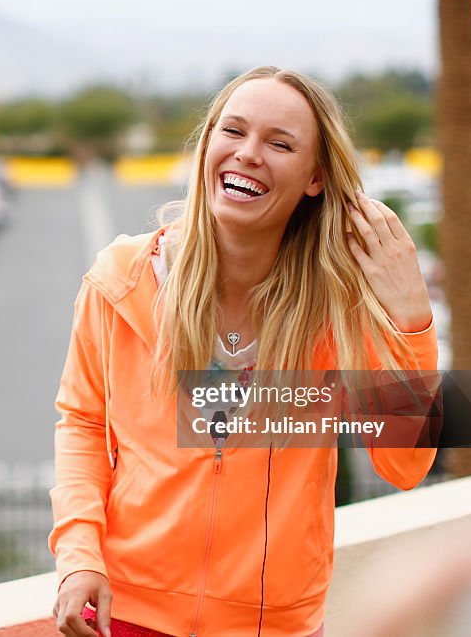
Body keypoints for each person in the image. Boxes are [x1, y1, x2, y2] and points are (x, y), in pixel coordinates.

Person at [50, 66, 439, 637]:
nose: (248, 154)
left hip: (273, 625)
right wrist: (79, 555)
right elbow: (83, 426)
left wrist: (411, 320)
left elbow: (405, 465)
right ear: (207, 144)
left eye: (280, 143)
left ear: (315, 178)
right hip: (128, 613)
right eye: (232, 131)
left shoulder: (339, 307)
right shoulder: (123, 280)